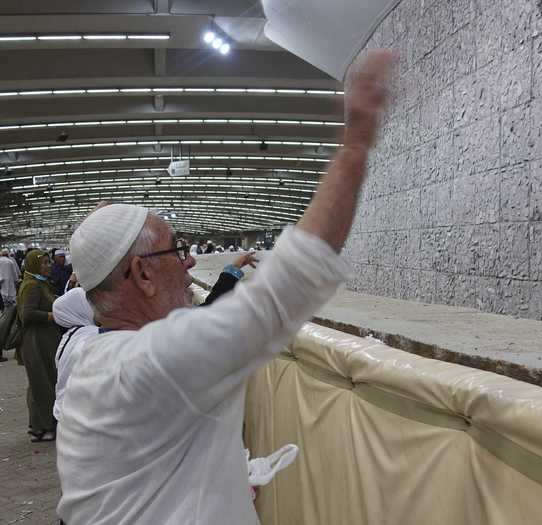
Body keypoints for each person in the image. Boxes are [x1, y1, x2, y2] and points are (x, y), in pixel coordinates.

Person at [56, 50, 393, 525]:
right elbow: (284, 291)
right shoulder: (148, 363)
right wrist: (355, 146)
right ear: (143, 276)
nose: (190, 260)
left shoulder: (97, 361)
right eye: (176, 251)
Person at [16, 250, 62, 442]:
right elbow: (27, 314)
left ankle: (40, 426)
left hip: (44, 339)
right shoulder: (32, 286)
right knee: (41, 383)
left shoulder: (40, 283)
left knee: (43, 381)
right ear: (34, 265)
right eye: (44, 263)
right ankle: (43, 427)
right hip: (37, 341)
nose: (48, 265)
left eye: (48, 262)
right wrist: (52, 315)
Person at [51, 288, 99, 422]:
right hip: (79, 415)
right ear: (80, 308)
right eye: (90, 304)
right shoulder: (91, 335)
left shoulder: (70, 336)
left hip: (64, 410)